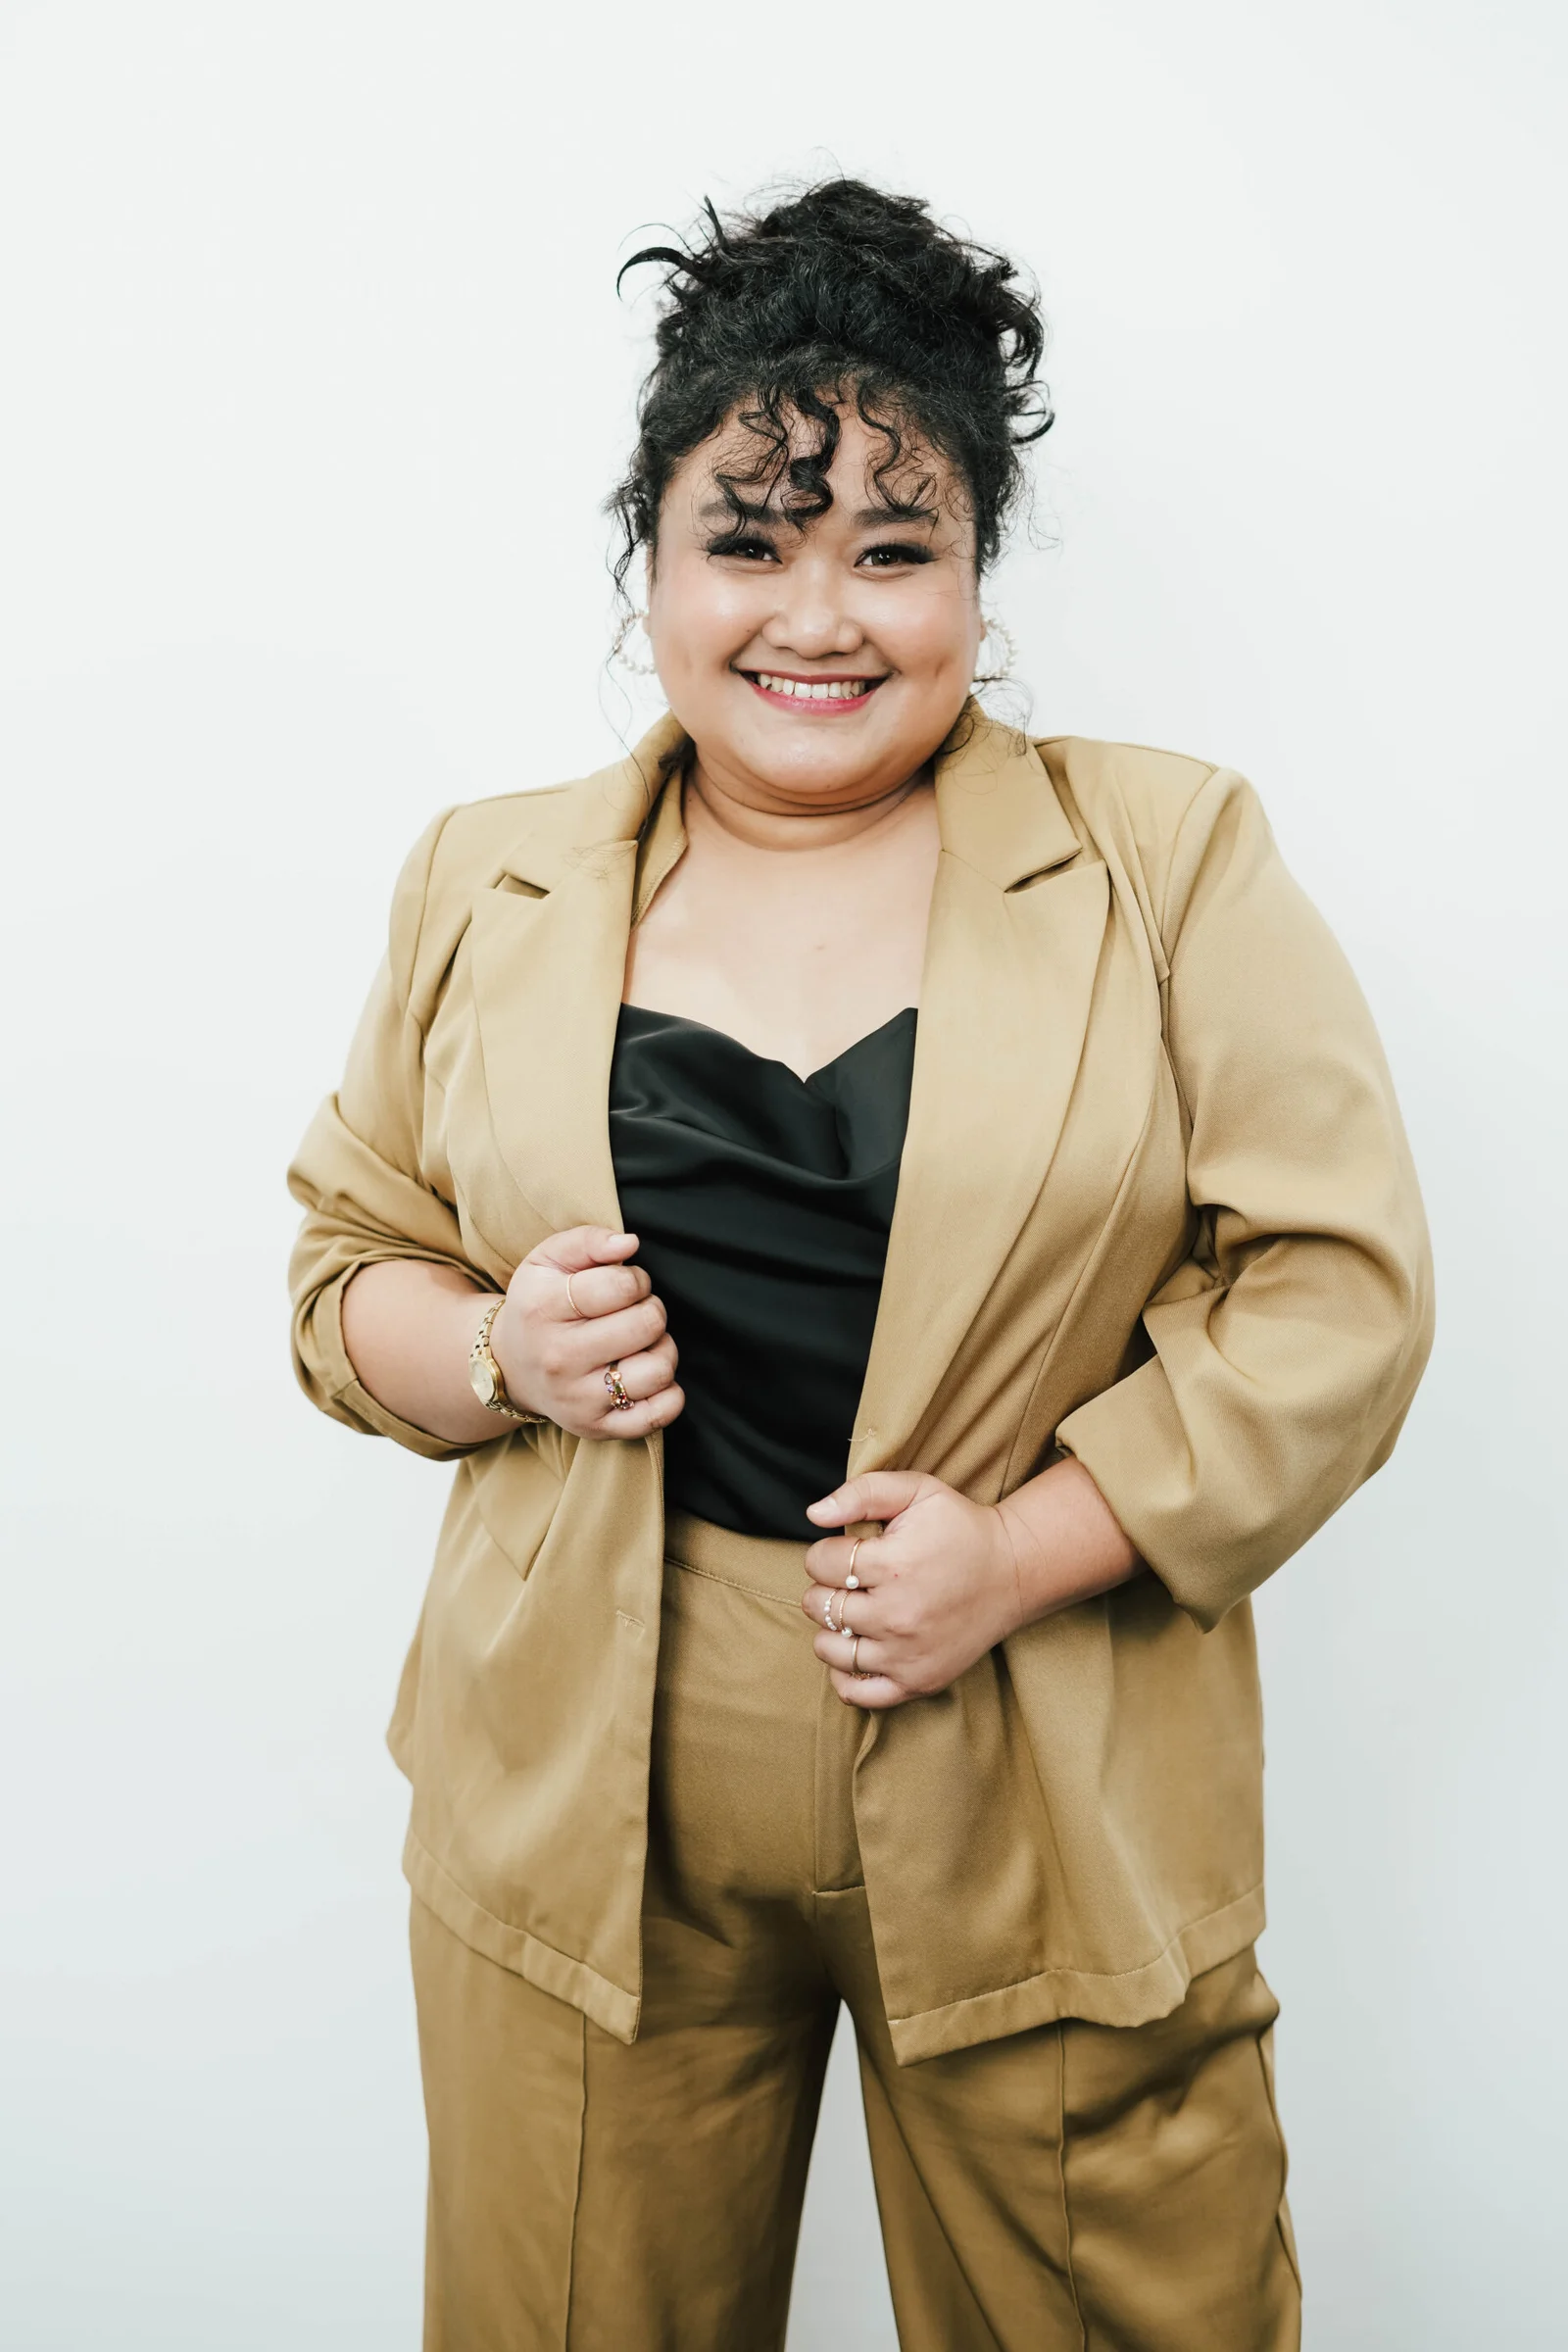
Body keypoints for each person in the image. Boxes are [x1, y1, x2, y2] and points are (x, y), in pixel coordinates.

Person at [287, 178, 1433, 2352]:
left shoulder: (1167, 857)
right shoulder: (483, 882)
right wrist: (498, 1348)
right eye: (750, 540)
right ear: (649, 563)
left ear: (977, 580)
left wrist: (1019, 1553)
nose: (818, 616)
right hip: (576, 1820)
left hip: (1047, 1780)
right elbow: (345, 1267)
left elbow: (1335, 1295)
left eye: (894, 551)